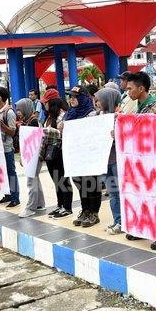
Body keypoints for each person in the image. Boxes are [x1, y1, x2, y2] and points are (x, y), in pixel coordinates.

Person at [124, 72, 156, 248]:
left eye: (130, 88)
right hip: (141, 163)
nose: (127, 92)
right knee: (142, 196)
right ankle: (144, 228)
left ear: (141, 88)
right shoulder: (137, 106)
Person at [64, 86, 102, 227]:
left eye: (75, 97)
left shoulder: (91, 114)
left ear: (83, 98)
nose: (72, 99)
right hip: (76, 155)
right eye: (71, 97)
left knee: (91, 183)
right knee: (80, 183)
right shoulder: (71, 113)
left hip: (89, 155)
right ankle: (85, 210)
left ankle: (94, 213)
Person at [95, 88, 123, 234]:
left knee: (120, 192)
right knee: (112, 193)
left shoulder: (119, 117)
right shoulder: (99, 116)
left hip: (118, 160)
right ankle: (117, 220)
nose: (97, 103)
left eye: (99, 100)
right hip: (105, 160)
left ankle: (124, 222)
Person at [42, 96, 73, 218]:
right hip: (49, 152)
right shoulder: (50, 117)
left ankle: (67, 207)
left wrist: (51, 131)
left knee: (62, 179)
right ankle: (60, 205)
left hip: (60, 152)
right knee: (56, 180)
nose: (45, 105)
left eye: (46, 103)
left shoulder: (64, 116)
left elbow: (64, 134)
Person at [16, 98, 46, 218]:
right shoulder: (30, 120)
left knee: (31, 180)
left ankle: (31, 207)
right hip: (34, 155)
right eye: (17, 110)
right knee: (35, 179)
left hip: (33, 156)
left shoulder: (33, 121)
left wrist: (25, 157)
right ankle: (40, 204)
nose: (18, 112)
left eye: (20, 109)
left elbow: (31, 142)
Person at [0, 87, 20, 208]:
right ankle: (7, 194)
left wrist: (2, 125)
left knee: (11, 172)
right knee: (3, 172)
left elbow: (13, 132)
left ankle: (15, 197)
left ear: (0, 98)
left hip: (7, 148)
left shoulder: (9, 112)